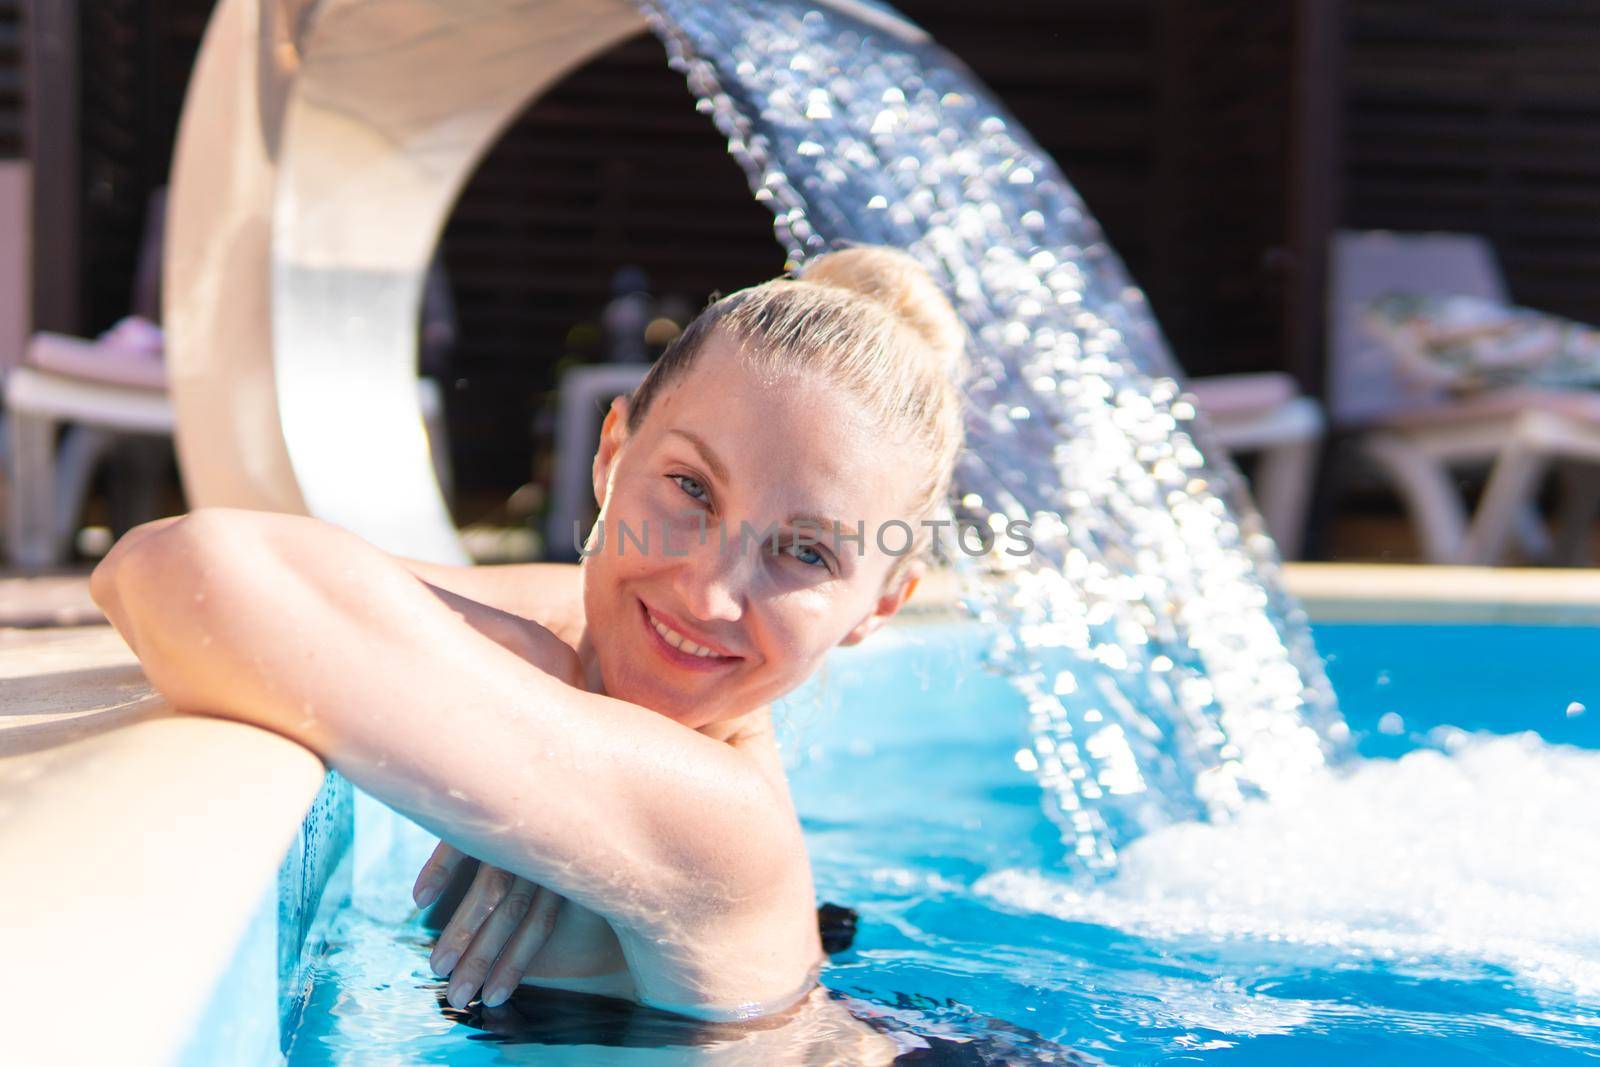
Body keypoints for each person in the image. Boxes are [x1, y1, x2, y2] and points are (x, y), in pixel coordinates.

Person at [89, 245, 970, 1033]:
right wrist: (550, 696)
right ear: (612, 452)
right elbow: (166, 572)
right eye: (691, 489)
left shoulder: (722, 830)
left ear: (879, 607)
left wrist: (539, 716)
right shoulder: (602, 634)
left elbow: (190, 573)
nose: (706, 591)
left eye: (805, 550)